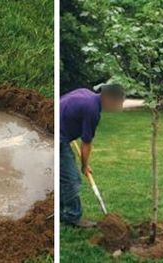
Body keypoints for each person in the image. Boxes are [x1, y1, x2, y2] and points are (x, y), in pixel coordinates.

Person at [60, 84, 125, 228]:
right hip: (57, 137)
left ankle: (59, 210)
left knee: (63, 177)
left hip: (57, 128)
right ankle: (72, 217)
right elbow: (86, 144)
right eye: (117, 103)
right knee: (72, 180)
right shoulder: (92, 110)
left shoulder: (86, 93)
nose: (118, 107)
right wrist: (84, 166)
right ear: (108, 98)